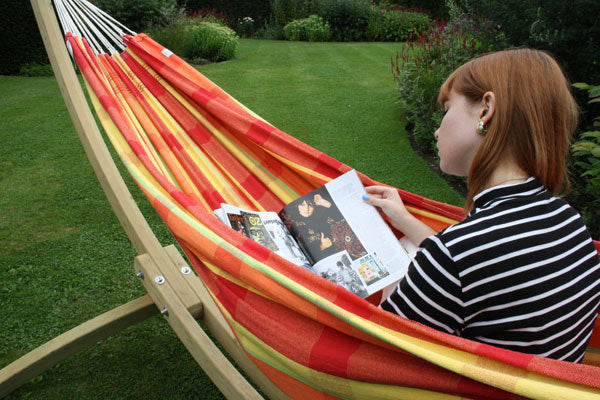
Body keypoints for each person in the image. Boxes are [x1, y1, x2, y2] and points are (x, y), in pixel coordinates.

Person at [363, 48, 600, 362]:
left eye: (446, 110)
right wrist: (403, 217)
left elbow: (377, 357)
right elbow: (479, 266)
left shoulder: (456, 255)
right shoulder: (568, 222)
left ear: (486, 109)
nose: (436, 130)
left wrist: (388, 270)